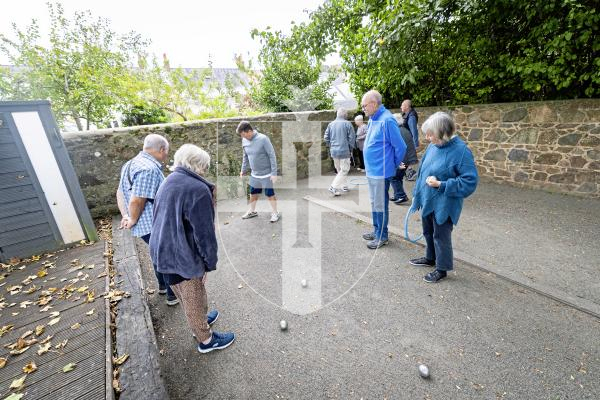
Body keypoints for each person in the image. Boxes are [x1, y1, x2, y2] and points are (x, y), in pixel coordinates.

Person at [149, 144, 235, 353]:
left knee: (184, 294)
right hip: (181, 255)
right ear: (198, 165)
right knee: (192, 297)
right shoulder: (197, 189)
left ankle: (200, 321)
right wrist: (208, 263)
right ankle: (206, 340)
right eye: (205, 166)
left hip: (161, 249)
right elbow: (204, 234)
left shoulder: (169, 180)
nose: (205, 170)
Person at [409, 112, 479, 283]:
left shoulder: (461, 151)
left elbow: (469, 181)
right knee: (428, 232)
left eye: (430, 134)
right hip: (428, 200)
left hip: (445, 204)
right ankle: (430, 258)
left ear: (443, 132)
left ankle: (442, 268)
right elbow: (422, 171)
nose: (427, 137)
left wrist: (442, 184)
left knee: (441, 237)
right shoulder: (434, 146)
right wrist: (417, 195)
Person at [116, 134, 178, 306]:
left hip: (146, 225)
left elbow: (120, 192)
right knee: (169, 257)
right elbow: (137, 199)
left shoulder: (129, 164)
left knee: (157, 254)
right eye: (166, 152)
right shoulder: (148, 169)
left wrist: (125, 216)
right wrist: (132, 219)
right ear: (161, 150)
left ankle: (163, 286)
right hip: (154, 224)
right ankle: (173, 295)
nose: (166, 156)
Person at [360, 90, 406, 249]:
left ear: (373, 104)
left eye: (364, 105)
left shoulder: (387, 120)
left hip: (381, 172)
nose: (363, 109)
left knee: (380, 204)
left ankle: (382, 236)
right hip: (373, 171)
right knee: (374, 203)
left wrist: (392, 165)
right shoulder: (374, 118)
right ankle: (377, 230)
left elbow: (400, 146)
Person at [238, 121, 280, 222]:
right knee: (253, 194)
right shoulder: (244, 140)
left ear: (249, 131)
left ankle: (275, 213)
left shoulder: (263, 139)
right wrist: (243, 170)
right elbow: (245, 157)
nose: (243, 137)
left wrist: (274, 173)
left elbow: (272, 155)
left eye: (243, 134)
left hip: (267, 174)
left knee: (270, 194)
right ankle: (252, 211)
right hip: (254, 174)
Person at [324, 108, 355, 196]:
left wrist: (331, 146)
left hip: (334, 151)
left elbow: (326, 137)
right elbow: (352, 138)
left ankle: (344, 186)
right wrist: (351, 149)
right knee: (344, 169)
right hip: (344, 150)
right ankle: (333, 187)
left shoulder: (331, 124)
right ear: (345, 115)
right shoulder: (347, 124)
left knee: (339, 170)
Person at [390, 115, 418, 204]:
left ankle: (401, 196)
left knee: (394, 177)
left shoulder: (397, 131)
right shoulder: (404, 130)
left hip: (402, 159)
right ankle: (398, 195)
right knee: (398, 177)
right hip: (406, 158)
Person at [401, 99, 419, 181]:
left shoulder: (411, 116)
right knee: (406, 157)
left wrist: (416, 144)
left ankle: (411, 173)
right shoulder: (407, 114)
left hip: (409, 140)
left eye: (402, 105)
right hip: (406, 139)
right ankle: (409, 173)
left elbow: (414, 131)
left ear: (407, 106)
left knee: (408, 157)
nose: (401, 106)